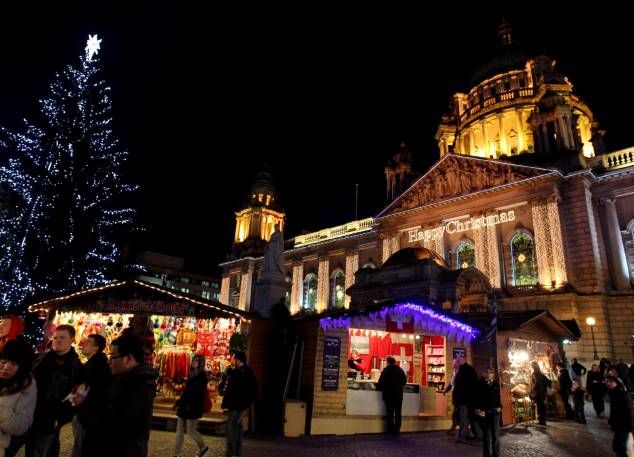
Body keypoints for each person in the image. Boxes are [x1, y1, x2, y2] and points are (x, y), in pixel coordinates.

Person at [81, 334, 156, 457]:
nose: (109, 361)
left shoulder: (135, 386)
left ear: (128, 359)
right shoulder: (122, 380)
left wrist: (83, 404)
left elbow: (110, 426)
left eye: (113, 356)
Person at [25, 324, 83, 457]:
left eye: (62, 337)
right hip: (30, 414)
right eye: (55, 337)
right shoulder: (40, 359)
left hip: (51, 418)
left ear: (72, 340)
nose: (57, 340)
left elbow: (77, 395)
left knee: (44, 450)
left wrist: (61, 417)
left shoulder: (76, 367)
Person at [72, 334, 111, 457]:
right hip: (87, 414)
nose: (83, 344)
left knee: (82, 448)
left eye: (88, 342)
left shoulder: (96, 366)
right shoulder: (94, 364)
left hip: (88, 415)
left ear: (96, 348)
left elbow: (89, 390)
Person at [0, 339, 37, 457]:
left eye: (13, 364)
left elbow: (21, 426)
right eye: (3, 361)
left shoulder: (27, 386)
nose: (6, 367)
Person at [222, 351, 258, 457]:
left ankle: (232, 452)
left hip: (237, 405)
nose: (233, 361)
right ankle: (236, 452)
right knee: (237, 428)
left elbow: (235, 390)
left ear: (238, 359)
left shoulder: (240, 373)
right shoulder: (245, 372)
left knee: (231, 428)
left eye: (235, 359)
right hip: (239, 405)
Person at [173, 355, 209, 457]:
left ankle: (203, 446)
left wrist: (188, 403)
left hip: (193, 408)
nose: (194, 362)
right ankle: (176, 453)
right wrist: (179, 403)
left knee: (191, 431)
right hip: (184, 406)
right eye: (194, 359)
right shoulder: (192, 373)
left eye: (197, 360)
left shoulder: (202, 376)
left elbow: (198, 394)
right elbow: (187, 392)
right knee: (179, 431)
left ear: (201, 363)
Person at [475, 367, 501, 457]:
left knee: (496, 435)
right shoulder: (479, 383)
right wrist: (477, 408)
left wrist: (499, 407)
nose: (489, 374)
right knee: (486, 435)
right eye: (487, 372)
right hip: (484, 411)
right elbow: (476, 397)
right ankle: (486, 455)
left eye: (491, 372)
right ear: (483, 373)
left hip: (495, 411)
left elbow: (498, 397)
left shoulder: (496, 384)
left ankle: (496, 455)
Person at [377, 356, 407, 435]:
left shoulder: (385, 371)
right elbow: (404, 381)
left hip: (388, 395)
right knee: (398, 412)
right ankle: (397, 429)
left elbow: (380, 383)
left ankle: (390, 430)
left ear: (387, 362)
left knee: (390, 412)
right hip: (398, 395)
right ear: (394, 362)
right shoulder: (400, 370)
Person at [453, 355, 479, 442]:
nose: (457, 362)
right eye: (457, 360)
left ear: (462, 360)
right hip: (463, 399)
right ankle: (467, 435)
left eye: (458, 360)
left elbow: (471, 385)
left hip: (465, 399)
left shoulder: (468, 370)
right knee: (463, 418)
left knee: (464, 419)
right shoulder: (462, 370)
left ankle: (462, 437)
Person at [606, 375, 632, 457]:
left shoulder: (622, 394)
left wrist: (631, 427)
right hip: (619, 424)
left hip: (625, 425)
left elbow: (630, 411)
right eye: (607, 381)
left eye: (611, 382)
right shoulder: (613, 393)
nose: (608, 383)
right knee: (618, 447)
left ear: (617, 383)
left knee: (618, 447)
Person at [530, 361, 550, 426]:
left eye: (531, 365)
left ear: (533, 366)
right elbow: (548, 381)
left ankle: (541, 421)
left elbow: (536, 383)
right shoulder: (541, 374)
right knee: (542, 406)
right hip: (542, 393)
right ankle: (542, 420)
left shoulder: (535, 374)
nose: (531, 366)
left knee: (540, 406)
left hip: (538, 393)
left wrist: (533, 390)